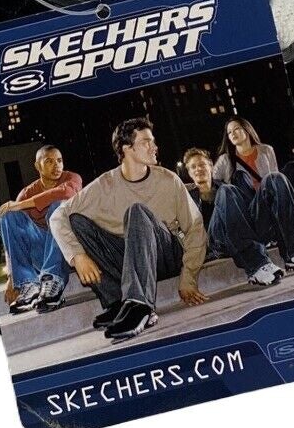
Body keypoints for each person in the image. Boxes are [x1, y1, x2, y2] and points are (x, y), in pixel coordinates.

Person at [50, 118, 207, 342]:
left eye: (153, 141)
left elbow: (195, 228)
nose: (154, 147)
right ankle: (117, 302)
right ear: (127, 149)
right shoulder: (105, 184)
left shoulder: (168, 180)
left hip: (166, 255)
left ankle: (141, 306)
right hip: (130, 258)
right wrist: (77, 256)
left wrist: (188, 277)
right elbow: (58, 217)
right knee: (76, 220)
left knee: (137, 212)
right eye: (146, 142)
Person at [209, 116, 294, 285]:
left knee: (279, 175)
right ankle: (258, 265)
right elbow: (212, 188)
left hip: (263, 211)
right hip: (242, 215)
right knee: (229, 187)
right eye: (229, 132)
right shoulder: (225, 160)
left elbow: (274, 185)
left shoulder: (266, 150)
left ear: (247, 129)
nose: (232, 134)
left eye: (236, 129)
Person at [0, 145, 82, 313]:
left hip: (67, 251)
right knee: (8, 215)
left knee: (58, 207)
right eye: (49, 161)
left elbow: (64, 193)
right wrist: (11, 277)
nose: (56, 166)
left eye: (59, 161)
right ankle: (29, 284)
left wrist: (20, 204)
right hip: (41, 254)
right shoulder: (27, 193)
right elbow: (12, 236)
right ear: (38, 166)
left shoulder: (72, 178)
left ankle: (53, 279)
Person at [181, 147, 217, 229]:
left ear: (211, 166)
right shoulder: (186, 197)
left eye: (202, 165)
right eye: (193, 167)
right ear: (189, 173)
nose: (198, 169)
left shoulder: (225, 191)